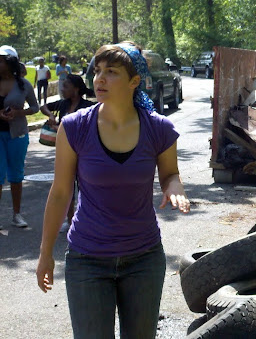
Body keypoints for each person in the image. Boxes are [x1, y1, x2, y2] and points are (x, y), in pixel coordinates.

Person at [36, 42, 190, 338]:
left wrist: (175, 189)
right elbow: (59, 193)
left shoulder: (159, 128)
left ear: (135, 81)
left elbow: (170, 174)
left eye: (111, 72)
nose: (99, 79)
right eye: (97, 71)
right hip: (87, 260)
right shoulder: (74, 126)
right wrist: (45, 253)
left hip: (144, 258)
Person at [40, 74, 96, 233]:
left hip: (84, 153)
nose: (62, 90)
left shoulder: (87, 106)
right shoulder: (63, 104)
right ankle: (70, 220)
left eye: (66, 87)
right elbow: (43, 107)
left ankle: (87, 218)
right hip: (65, 153)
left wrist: (65, 130)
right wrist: (51, 115)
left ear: (76, 89)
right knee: (67, 186)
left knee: (86, 186)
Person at [0, 45, 39, 229]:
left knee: (15, 175)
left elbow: (35, 107)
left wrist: (19, 113)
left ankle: (17, 214)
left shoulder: (23, 84)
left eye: (1, 61)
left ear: (10, 63)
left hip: (17, 134)